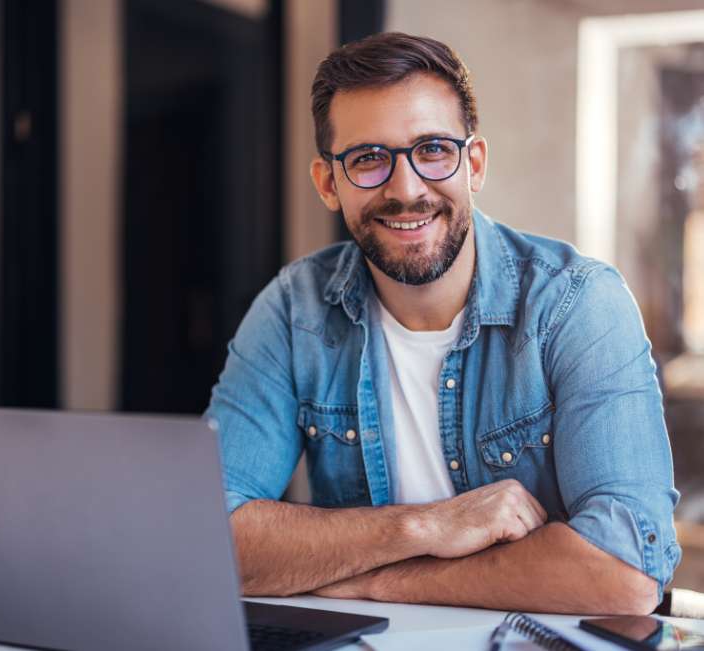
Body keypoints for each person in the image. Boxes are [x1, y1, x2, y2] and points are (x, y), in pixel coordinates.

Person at [204, 32, 680, 614]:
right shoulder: (292, 311)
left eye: (432, 150)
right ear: (329, 183)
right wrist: (422, 528)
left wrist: (374, 579)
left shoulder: (578, 304)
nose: (406, 190)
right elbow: (207, 535)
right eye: (368, 159)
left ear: (473, 163)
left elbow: (626, 571)